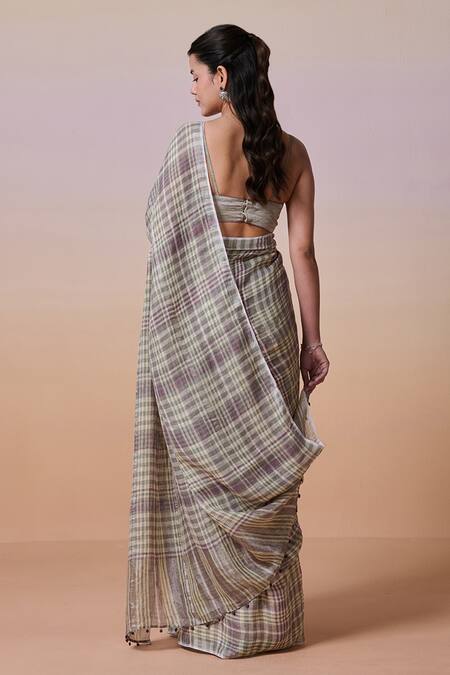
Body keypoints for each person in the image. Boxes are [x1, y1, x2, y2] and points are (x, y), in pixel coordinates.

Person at [125, 23, 330, 659]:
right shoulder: (292, 151)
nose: (191, 89)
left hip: (201, 317)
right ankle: (271, 626)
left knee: (207, 461)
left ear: (222, 76)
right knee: (261, 458)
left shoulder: (192, 144)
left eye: (195, 76)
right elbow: (302, 252)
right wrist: (313, 341)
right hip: (267, 309)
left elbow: (164, 237)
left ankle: (212, 623)